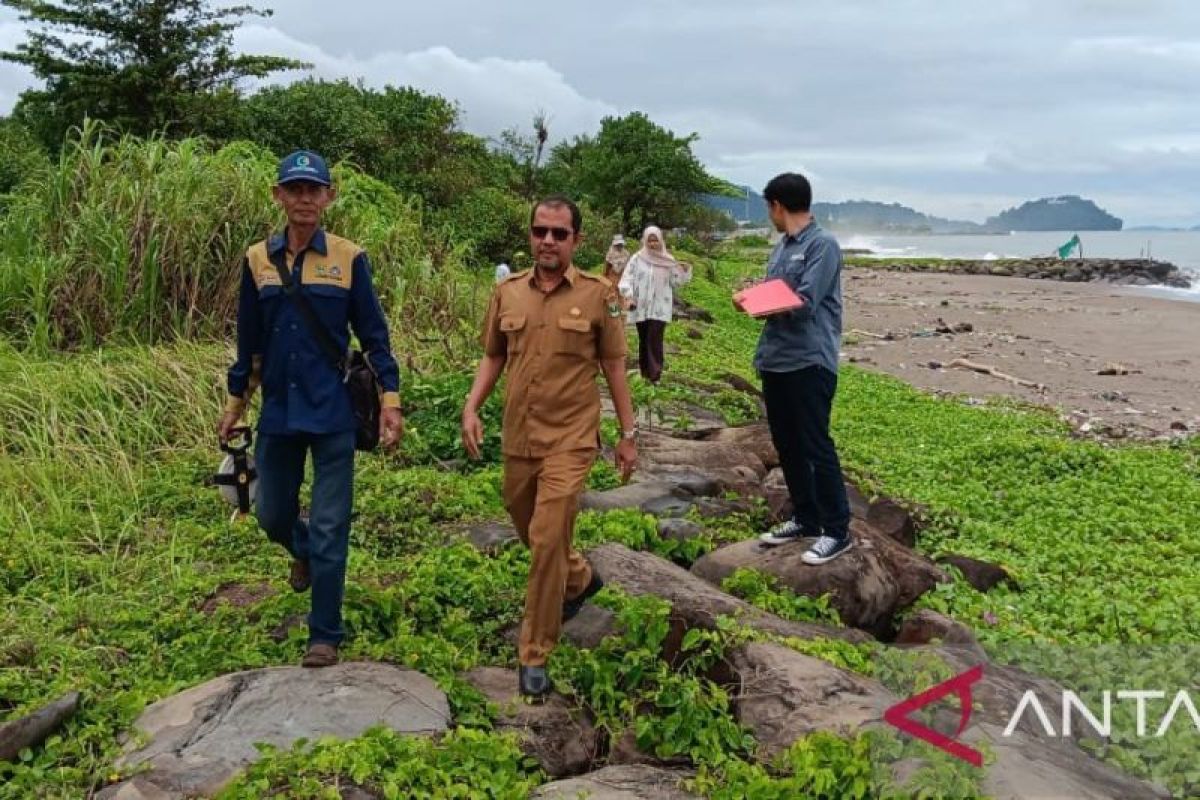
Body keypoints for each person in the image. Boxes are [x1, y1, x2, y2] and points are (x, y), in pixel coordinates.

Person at [217, 150, 404, 667]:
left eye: (312, 189)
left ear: (328, 196)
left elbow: (374, 336)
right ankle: (299, 552)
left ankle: (325, 633)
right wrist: (236, 402)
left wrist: (391, 400)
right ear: (278, 195)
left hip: (332, 414)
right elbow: (248, 342)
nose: (303, 198)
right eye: (293, 189)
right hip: (278, 412)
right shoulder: (258, 260)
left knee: (330, 525)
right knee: (271, 515)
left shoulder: (349, 258)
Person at [461, 195, 639, 698]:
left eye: (560, 234)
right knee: (529, 525)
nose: (548, 241)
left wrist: (628, 436)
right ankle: (580, 578)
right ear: (531, 235)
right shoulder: (508, 292)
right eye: (541, 231)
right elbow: (493, 356)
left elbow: (614, 368)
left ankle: (534, 651)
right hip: (520, 435)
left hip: (571, 439)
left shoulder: (599, 295)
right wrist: (472, 408)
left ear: (576, 241)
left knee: (544, 538)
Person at [733, 172, 852, 565]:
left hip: (810, 359)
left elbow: (804, 302)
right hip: (776, 359)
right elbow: (775, 295)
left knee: (815, 443)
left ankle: (837, 531)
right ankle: (805, 517)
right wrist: (751, 299)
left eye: (770, 209)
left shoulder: (823, 245)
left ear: (777, 206)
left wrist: (756, 301)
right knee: (787, 443)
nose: (771, 216)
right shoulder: (781, 249)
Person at [617, 226, 691, 383]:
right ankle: (645, 372)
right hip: (640, 306)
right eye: (649, 240)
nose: (652, 244)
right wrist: (628, 295)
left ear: (660, 240)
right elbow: (626, 278)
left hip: (660, 307)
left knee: (654, 338)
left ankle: (655, 374)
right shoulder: (637, 258)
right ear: (645, 241)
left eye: (655, 240)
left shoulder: (668, 260)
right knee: (643, 338)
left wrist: (684, 271)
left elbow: (676, 282)